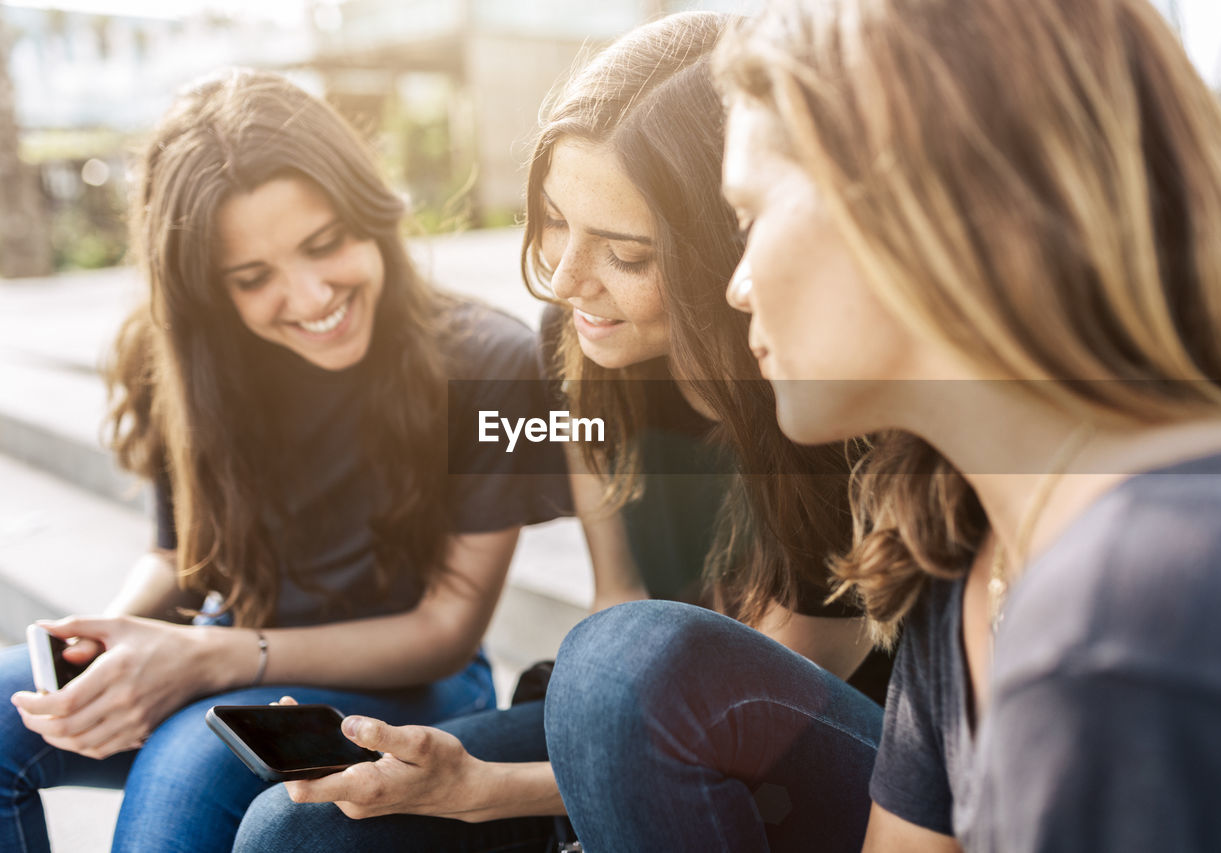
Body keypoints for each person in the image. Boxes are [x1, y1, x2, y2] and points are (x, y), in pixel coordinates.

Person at [233, 11, 887, 853]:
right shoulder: (579, 345)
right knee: (296, 830)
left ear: (731, 246)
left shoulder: (822, 390)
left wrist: (483, 790)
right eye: (552, 220)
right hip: (633, 714)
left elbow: (727, 710)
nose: (568, 278)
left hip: (822, 756)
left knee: (630, 663)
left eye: (628, 254)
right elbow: (618, 594)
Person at [707, 0, 1221, 850]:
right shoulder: (959, 552)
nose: (737, 285)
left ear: (918, 197)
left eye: (752, 216)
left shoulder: (1140, 618)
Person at [0, 69, 565, 853]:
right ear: (208, 293)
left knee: (185, 770)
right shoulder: (187, 364)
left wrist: (206, 657)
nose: (308, 298)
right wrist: (119, 636)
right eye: (252, 278)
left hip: (404, 682)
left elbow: (445, 626)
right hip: (232, 648)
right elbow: (176, 552)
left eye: (323, 243)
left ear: (368, 211)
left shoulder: (487, 362)